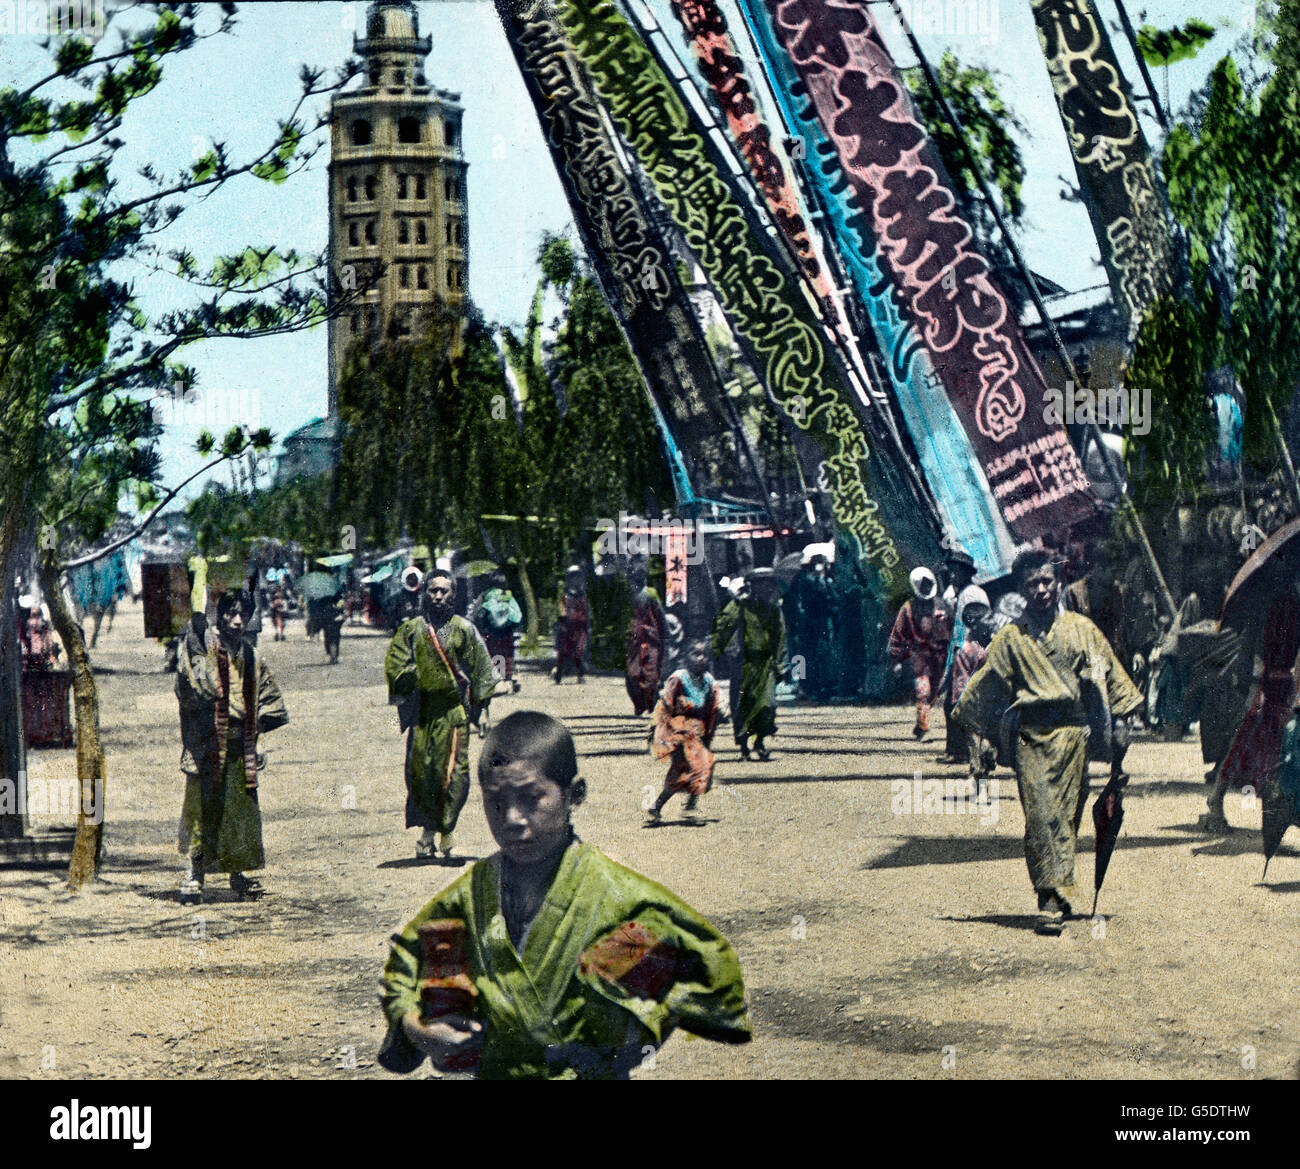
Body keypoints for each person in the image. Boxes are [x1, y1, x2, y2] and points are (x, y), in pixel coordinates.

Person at [379, 711, 751, 1079]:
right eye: (496, 801)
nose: (512, 818)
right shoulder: (474, 891)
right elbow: (405, 963)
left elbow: (715, 975)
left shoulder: (614, 892)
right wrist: (416, 1028)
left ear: (574, 794)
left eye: (530, 798)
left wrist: (641, 1020)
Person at [953, 549, 1142, 935]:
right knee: (1041, 816)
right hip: (1031, 738)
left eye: (1046, 581)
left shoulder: (1081, 630)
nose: (1040, 589)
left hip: (1075, 738)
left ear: (1057, 583)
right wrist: (982, 740)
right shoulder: (1011, 638)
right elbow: (982, 691)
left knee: (1068, 817)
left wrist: (1121, 725)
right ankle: (1049, 899)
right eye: (1031, 584)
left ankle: (1060, 886)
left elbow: (1110, 679)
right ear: (1021, 590)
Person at [175, 589, 289, 904]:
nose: (237, 621)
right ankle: (195, 875)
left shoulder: (251, 655)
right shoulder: (205, 649)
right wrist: (196, 643)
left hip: (242, 741)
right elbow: (192, 686)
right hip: (209, 742)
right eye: (231, 614)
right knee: (203, 807)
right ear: (220, 614)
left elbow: (267, 698)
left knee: (240, 812)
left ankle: (237, 873)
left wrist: (260, 738)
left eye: (243, 615)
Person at [386, 570, 497, 860]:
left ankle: (447, 834)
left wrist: (483, 709)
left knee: (454, 772)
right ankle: (426, 835)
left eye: (444, 591)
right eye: (433, 590)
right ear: (424, 593)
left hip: (454, 711)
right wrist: (412, 675)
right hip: (423, 713)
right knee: (423, 774)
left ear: (454, 596)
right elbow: (396, 666)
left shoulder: (464, 629)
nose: (437, 596)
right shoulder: (411, 630)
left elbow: (483, 669)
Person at [711, 569, 786, 761]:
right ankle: (744, 746)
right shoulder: (740, 605)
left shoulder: (773, 609)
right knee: (742, 705)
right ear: (751, 585)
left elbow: (780, 636)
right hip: (744, 664)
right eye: (760, 583)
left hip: (765, 663)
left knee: (766, 704)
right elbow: (723, 626)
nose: (765, 588)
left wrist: (779, 664)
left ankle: (759, 742)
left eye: (768, 584)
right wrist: (720, 650)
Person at [647, 640, 720, 822]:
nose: (700, 658)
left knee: (696, 768)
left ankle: (662, 806)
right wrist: (656, 729)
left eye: (703, 654)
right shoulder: (679, 678)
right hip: (678, 732)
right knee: (695, 767)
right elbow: (665, 704)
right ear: (686, 657)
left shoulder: (709, 682)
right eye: (695, 653)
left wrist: (710, 731)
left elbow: (713, 708)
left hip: (697, 734)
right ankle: (685, 806)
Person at [888, 566, 952, 740]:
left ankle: (921, 721)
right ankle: (924, 726)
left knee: (935, 692)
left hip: (940, 657)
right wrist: (897, 660)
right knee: (922, 690)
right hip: (919, 656)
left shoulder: (942, 606)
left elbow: (952, 629)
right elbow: (898, 633)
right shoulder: (908, 608)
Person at [945, 586, 995, 796]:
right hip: (987, 704)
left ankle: (978, 770)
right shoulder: (992, 647)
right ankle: (982, 766)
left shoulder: (965, 650)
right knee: (983, 742)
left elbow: (959, 682)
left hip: (972, 704)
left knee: (974, 742)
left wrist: (958, 703)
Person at [938, 549, 977, 761]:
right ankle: (956, 750)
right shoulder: (962, 594)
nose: (953, 576)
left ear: (966, 573)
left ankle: (959, 751)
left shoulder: (971, 594)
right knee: (953, 703)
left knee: (955, 703)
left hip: (967, 653)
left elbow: (970, 627)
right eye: (951, 572)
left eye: (956, 572)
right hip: (960, 652)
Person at [472, 573, 524, 693]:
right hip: (506, 632)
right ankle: (508, 679)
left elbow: (477, 613)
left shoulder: (485, 595)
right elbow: (517, 615)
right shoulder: (507, 595)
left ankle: (498, 680)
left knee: (494, 654)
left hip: (491, 632)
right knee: (508, 654)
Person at [625, 582, 666, 716]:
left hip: (650, 640)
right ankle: (639, 705)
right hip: (633, 640)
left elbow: (660, 616)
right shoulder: (625, 592)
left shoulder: (651, 593)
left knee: (650, 674)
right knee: (633, 674)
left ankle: (651, 704)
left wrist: (665, 634)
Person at [553, 567, 590, 684]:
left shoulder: (583, 596)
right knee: (563, 651)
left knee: (578, 652)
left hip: (579, 628)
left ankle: (580, 674)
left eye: (578, 577)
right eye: (573, 577)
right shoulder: (565, 595)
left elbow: (587, 612)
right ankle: (559, 673)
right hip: (566, 628)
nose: (576, 580)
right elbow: (561, 611)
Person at [321, 591, 346, 664]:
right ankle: (334, 656)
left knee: (331, 637)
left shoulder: (323, 594)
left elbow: (340, 604)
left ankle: (333, 656)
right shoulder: (336, 591)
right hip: (332, 618)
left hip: (331, 618)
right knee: (333, 637)